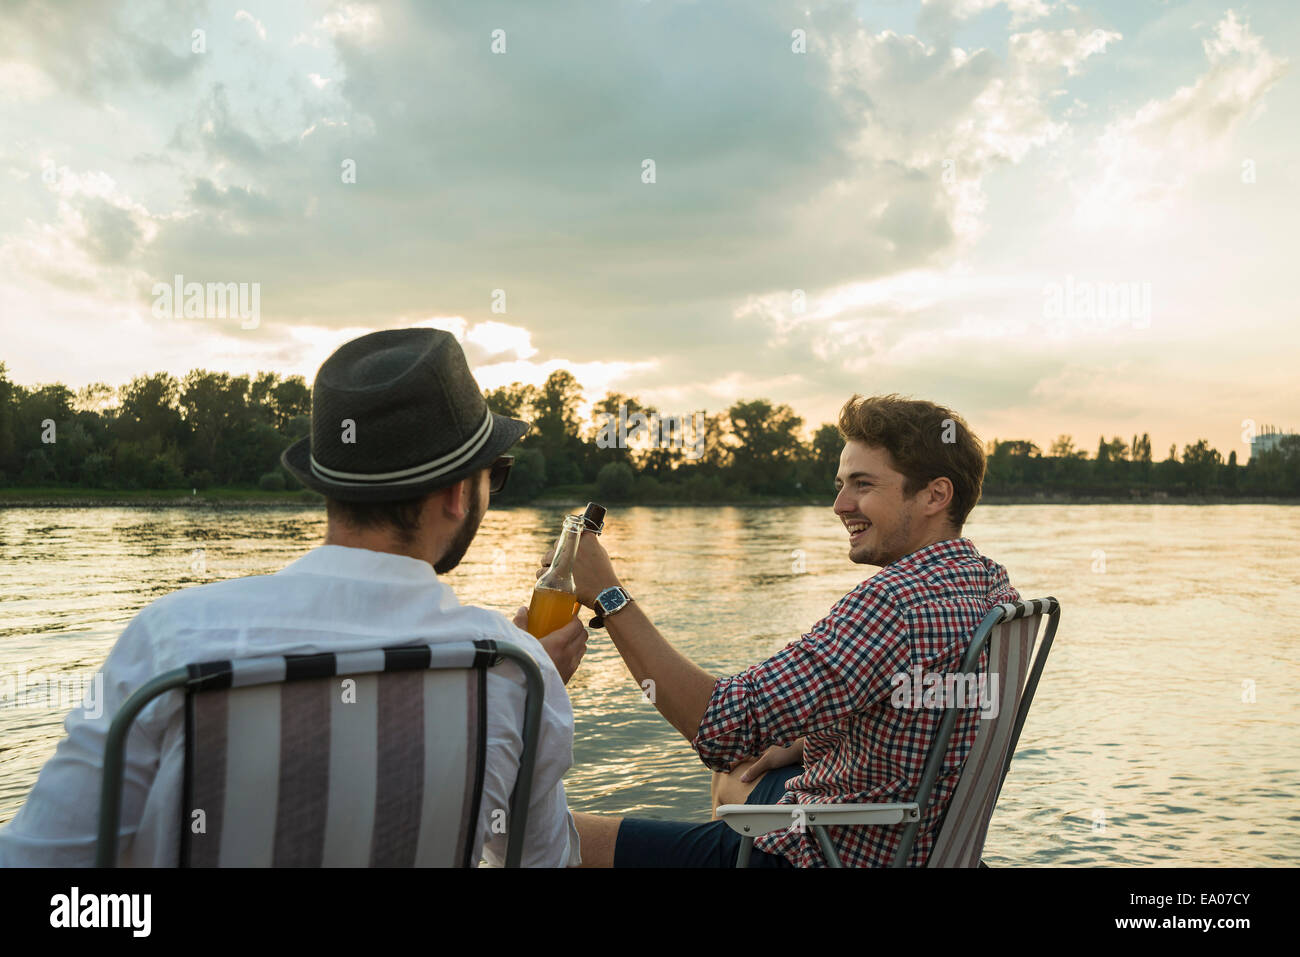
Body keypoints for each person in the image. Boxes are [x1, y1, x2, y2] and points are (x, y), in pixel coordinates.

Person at [0, 328, 588, 867]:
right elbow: (543, 863)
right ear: (459, 494)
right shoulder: (515, 671)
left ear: (330, 485)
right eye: (494, 475)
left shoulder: (173, 641)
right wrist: (534, 683)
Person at [555, 393, 1021, 867]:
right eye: (841, 484)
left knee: (542, 836)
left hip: (830, 853)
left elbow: (721, 727)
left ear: (934, 496)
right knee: (740, 770)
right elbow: (928, 711)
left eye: (862, 485)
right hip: (929, 841)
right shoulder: (990, 584)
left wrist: (611, 598)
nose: (840, 505)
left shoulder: (895, 604)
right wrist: (802, 742)